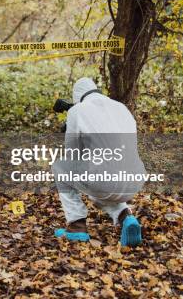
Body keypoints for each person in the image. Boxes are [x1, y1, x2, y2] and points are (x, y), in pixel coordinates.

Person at [52, 77, 145, 247]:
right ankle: (126, 216)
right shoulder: (121, 107)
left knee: (61, 166)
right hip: (135, 181)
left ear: (76, 98)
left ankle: (76, 226)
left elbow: (72, 154)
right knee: (102, 183)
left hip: (105, 181)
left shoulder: (77, 111)